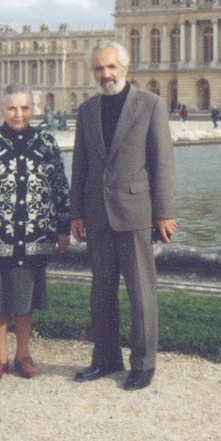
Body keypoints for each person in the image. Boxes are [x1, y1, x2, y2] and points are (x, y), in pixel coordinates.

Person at [70, 41, 177, 391]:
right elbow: (80, 165)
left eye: (111, 67)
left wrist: (164, 212)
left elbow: (162, 162)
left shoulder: (150, 105)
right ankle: (105, 358)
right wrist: (75, 212)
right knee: (101, 292)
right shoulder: (87, 110)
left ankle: (144, 364)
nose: (106, 74)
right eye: (99, 69)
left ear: (125, 68)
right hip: (97, 212)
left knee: (141, 292)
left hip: (136, 211)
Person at [0, 84, 70, 382]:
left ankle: (23, 354)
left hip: (34, 236)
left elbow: (60, 189)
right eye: (12, 108)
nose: (19, 114)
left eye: (24, 108)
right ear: (1, 110)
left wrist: (63, 227)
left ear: (33, 110)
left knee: (25, 299)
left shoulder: (47, 143)